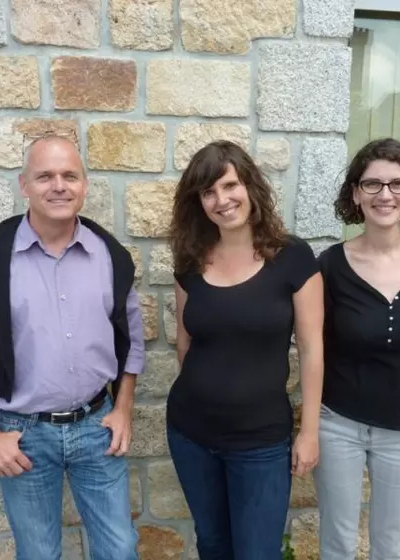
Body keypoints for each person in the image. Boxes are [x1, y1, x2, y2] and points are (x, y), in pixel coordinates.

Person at [0, 133, 144, 560]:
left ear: (84, 185)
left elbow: (132, 346)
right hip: (24, 435)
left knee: (120, 549)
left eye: (70, 175)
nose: (59, 186)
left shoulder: (112, 257)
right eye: (45, 176)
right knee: (38, 553)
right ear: (24, 186)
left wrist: (123, 407)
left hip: (97, 427)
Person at [167, 140, 324, 560]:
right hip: (191, 434)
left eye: (229, 185)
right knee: (213, 544)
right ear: (198, 203)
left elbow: (312, 350)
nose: (222, 200)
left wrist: (308, 433)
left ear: (250, 186)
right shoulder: (190, 261)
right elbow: (186, 342)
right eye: (208, 192)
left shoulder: (292, 257)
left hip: (260, 442)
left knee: (257, 551)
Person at [314, 137, 400, 560]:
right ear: (355, 194)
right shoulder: (329, 266)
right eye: (372, 184)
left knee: (390, 547)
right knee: (336, 544)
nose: (385, 195)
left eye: (397, 183)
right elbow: (315, 348)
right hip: (338, 425)